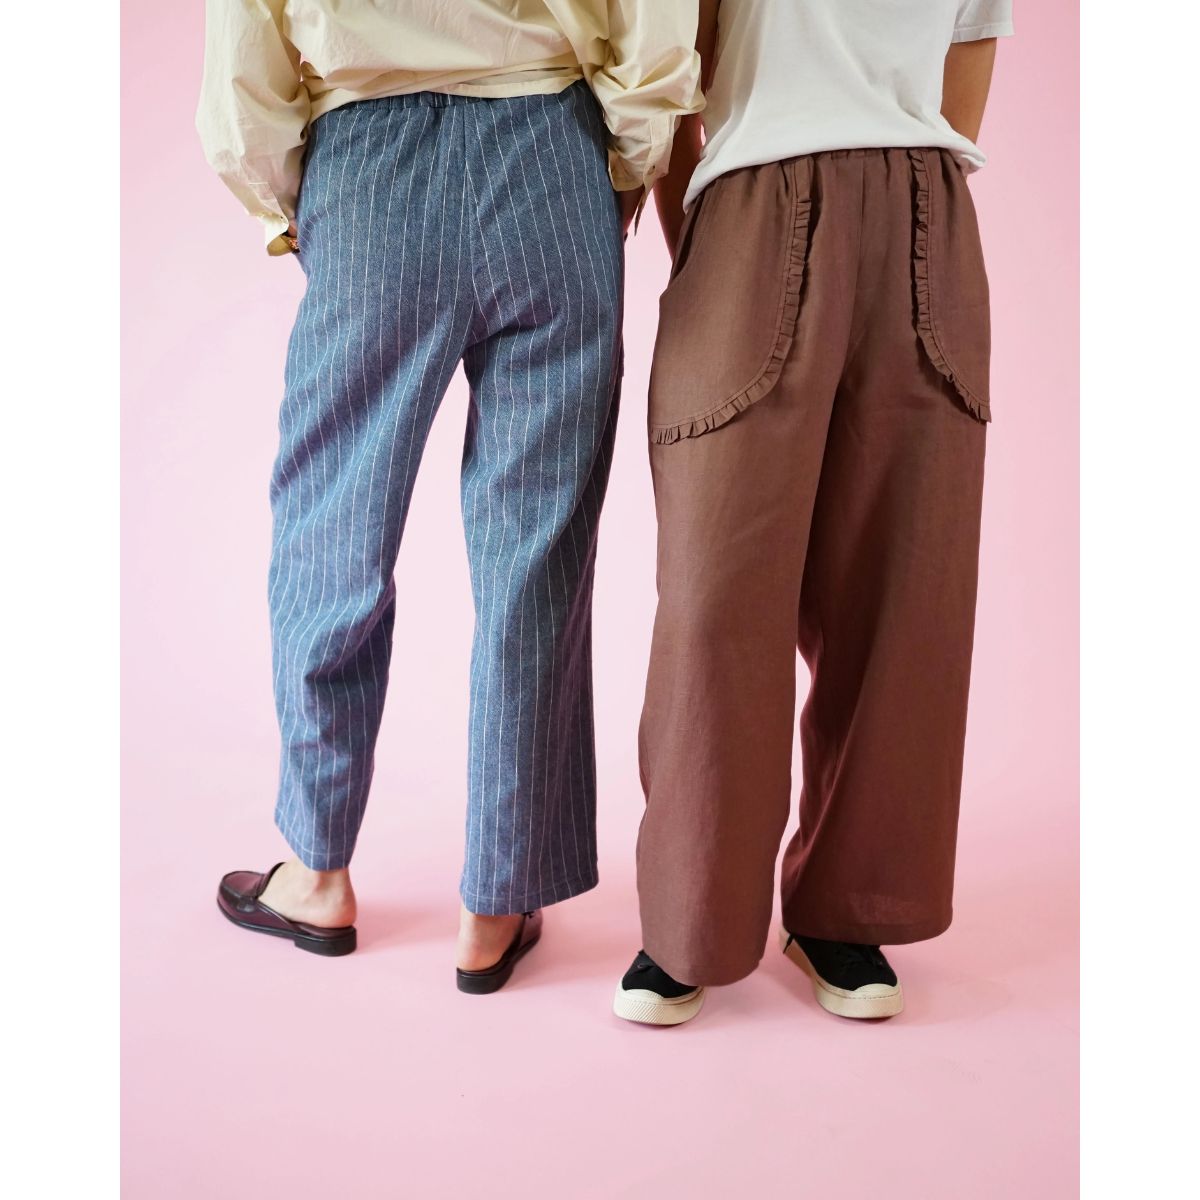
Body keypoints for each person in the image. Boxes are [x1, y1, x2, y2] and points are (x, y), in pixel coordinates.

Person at [196, 1, 701, 992]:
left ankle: (316, 871)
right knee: (536, 549)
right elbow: (657, 26)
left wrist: (294, 200)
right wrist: (620, 168)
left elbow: (241, 77)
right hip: (555, 155)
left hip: (368, 163)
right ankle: (498, 901)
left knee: (332, 526)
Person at [613, 0, 1014, 1025]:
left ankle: (844, 908)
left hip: (922, 217)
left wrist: (900, 197)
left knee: (904, 596)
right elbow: (678, 66)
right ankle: (692, 918)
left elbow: (962, 76)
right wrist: (708, 230)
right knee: (715, 594)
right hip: (749, 203)